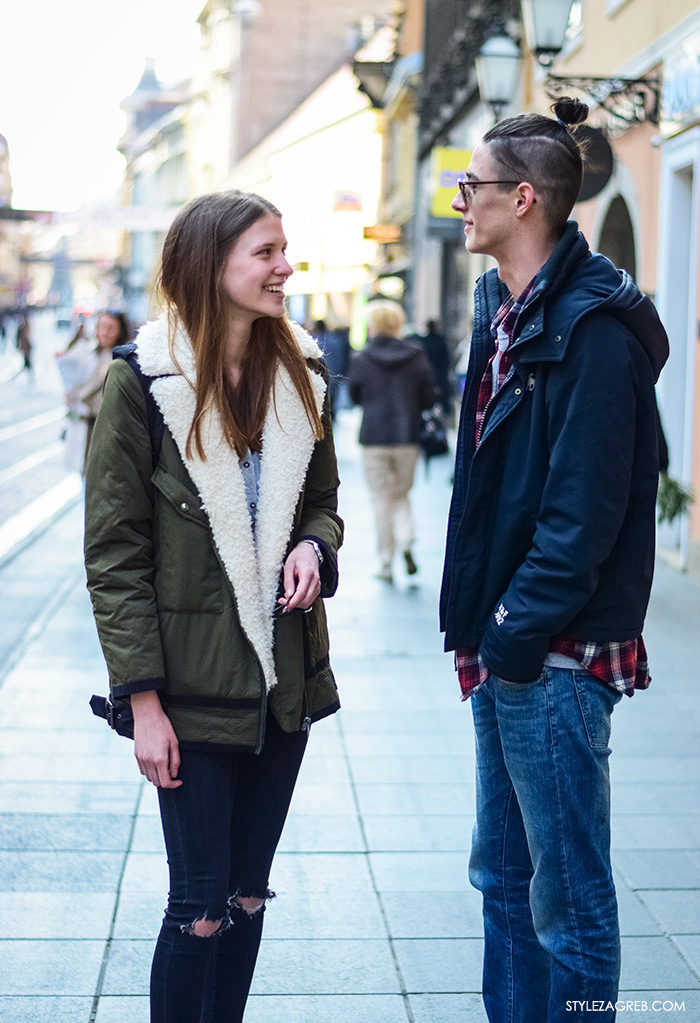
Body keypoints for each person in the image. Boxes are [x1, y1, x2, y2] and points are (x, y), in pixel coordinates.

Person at [83, 190, 343, 1023]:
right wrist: (142, 701)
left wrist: (316, 546)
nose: (285, 266)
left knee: (248, 898)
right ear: (212, 264)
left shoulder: (302, 372)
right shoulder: (141, 383)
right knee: (198, 907)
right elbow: (115, 555)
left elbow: (324, 500)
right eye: (266, 251)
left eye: (283, 248)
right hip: (189, 692)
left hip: (283, 683)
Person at [439, 98, 669, 1023]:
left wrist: (513, 633)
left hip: (557, 653)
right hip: (508, 647)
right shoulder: (503, 306)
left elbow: (584, 515)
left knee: (567, 901)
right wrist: (484, 633)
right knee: (502, 877)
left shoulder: (594, 330)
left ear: (523, 198)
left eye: (473, 185)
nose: (460, 201)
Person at [348, 299, 437, 583]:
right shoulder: (415, 355)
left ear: (372, 326)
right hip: (407, 436)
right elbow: (430, 395)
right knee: (401, 494)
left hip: (373, 437)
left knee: (380, 499)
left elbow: (354, 396)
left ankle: (386, 562)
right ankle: (407, 537)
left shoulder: (361, 358)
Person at [65, 310, 131, 472]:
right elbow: (75, 384)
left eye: (110, 328)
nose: (103, 333)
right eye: (100, 327)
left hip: (111, 427)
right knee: (85, 468)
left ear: (120, 331)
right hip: (87, 421)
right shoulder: (89, 354)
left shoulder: (125, 359)